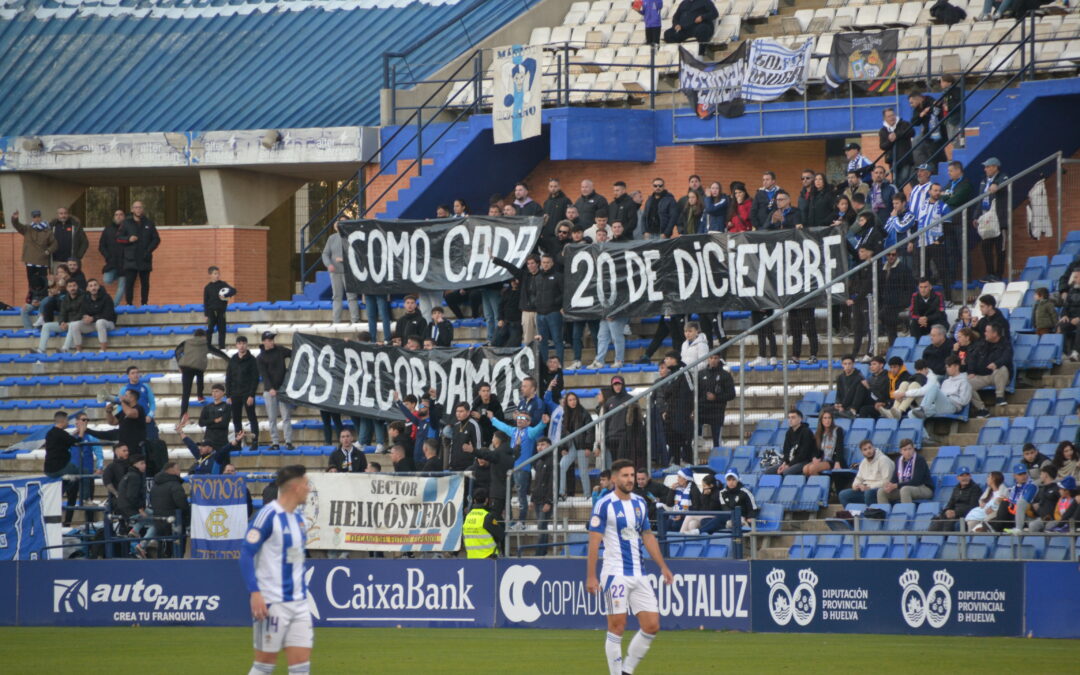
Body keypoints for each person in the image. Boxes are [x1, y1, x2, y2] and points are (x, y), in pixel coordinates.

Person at [586, 459, 673, 675]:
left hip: (639, 573)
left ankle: (627, 670)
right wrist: (591, 576)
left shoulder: (640, 503)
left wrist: (662, 566)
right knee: (617, 626)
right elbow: (594, 541)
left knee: (652, 625)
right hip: (615, 573)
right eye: (625, 476)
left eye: (632, 475)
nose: (630, 479)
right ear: (614, 479)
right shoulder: (604, 504)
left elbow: (647, 536)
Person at [241, 465, 312, 675]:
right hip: (272, 602)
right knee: (264, 665)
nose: (309, 489)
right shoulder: (268, 515)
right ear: (296, 488)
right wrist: (255, 593)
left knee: (301, 667)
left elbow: (295, 559)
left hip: (299, 603)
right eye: (306, 485)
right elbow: (246, 554)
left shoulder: (300, 520)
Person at [489, 408, 548, 522]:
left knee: (521, 497)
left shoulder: (529, 432)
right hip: (510, 469)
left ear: (528, 422)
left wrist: (543, 423)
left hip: (522, 469)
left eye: (524, 418)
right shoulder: (513, 431)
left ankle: (522, 522)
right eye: (519, 417)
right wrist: (492, 418)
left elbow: (538, 429)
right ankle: (510, 520)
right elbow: (502, 426)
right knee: (506, 496)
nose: (520, 420)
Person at [117, 201, 160, 306]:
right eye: (136, 207)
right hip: (130, 259)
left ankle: (144, 303)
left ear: (143, 209)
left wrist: (148, 250)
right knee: (129, 284)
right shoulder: (126, 223)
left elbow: (156, 239)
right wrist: (128, 239)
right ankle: (129, 304)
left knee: (145, 284)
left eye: (140, 207)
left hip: (145, 258)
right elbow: (118, 238)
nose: (138, 210)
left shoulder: (149, 223)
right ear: (132, 210)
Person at [257, 331, 293, 452]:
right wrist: (270, 388)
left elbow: (294, 353)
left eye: (272, 339)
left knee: (286, 416)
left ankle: (288, 441)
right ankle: (275, 442)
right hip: (270, 390)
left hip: (283, 389)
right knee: (272, 418)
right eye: (269, 340)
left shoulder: (280, 350)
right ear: (264, 342)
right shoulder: (260, 357)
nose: (272, 341)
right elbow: (264, 375)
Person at [967, 322, 1012, 416]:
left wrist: (996, 364)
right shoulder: (982, 343)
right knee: (965, 384)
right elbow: (971, 357)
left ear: (995, 334)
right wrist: (971, 371)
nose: (985, 333)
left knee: (1002, 368)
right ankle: (982, 409)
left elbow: (1007, 357)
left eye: (987, 331)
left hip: (998, 376)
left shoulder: (1005, 344)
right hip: (982, 376)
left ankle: (1000, 397)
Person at [975, 157, 1009, 281]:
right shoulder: (983, 181)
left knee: (1000, 248)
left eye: (988, 167)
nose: (985, 169)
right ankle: (990, 273)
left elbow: (1003, 181)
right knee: (986, 248)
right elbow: (980, 200)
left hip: (1000, 221)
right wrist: (976, 216)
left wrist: (996, 184)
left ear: (995, 167)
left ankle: (998, 275)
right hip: (986, 220)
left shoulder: (1003, 176)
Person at [322, 218, 360, 323]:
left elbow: (358, 254)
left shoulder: (352, 237)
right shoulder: (332, 238)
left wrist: (345, 259)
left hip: (349, 272)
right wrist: (328, 264)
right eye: (339, 221)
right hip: (335, 272)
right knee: (336, 297)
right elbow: (325, 254)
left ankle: (355, 320)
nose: (340, 223)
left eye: (343, 221)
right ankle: (336, 321)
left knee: (351, 297)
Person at [557, 391, 594, 499]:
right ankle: (561, 493)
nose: (573, 402)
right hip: (570, 446)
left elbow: (590, 431)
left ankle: (587, 495)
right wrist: (563, 447)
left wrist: (588, 446)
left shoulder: (584, 413)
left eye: (574, 399)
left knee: (583, 472)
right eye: (570, 400)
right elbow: (563, 433)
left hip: (582, 446)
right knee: (562, 466)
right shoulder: (565, 414)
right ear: (566, 402)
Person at [62, 278, 116, 352]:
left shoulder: (106, 297)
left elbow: (108, 314)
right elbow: (83, 311)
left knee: (100, 322)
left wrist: (93, 318)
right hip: (93, 323)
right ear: (87, 289)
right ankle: (78, 351)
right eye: (90, 286)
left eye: (95, 285)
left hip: (108, 323)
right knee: (74, 325)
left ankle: (103, 350)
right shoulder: (85, 298)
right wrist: (86, 317)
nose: (93, 288)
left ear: (99, 287)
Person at [226, 336, 260, 450]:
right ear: (236, 345)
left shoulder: (252, 359)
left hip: (247, 393)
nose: (241, 345)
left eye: (244, 343)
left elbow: (255, 379)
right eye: (239, 343)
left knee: (252, 417)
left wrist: (251, 395)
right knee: (236, 419)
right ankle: (238, 443)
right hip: (235, 393)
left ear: (247, 345)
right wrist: (228, 395)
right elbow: (228, 377)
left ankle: (255, 442)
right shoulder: (233, 359)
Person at [149, 461, 189, 556]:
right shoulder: (175, 485)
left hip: (159, 521)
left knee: (163, 549)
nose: (179, 472)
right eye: (178, 469)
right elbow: (182, 504)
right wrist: (187, 516)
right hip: (174, 522)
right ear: (172, 470)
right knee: (176, 550)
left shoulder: (155, 485)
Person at [116, 453, 153, 557]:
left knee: (154, 515)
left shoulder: (129, 475)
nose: (144, 465)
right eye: (141, 463)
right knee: (158, 522)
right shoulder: (135, 477)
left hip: (125, 508)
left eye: (144, 463)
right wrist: (140, 509)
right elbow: (132, 496)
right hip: (131, 509)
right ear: (134, 465)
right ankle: (141, 544)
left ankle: (136, 531)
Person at [10, 209, 58, 288]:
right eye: (35, 217)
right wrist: (15, 219)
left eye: (38, 216)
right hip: (30, 260)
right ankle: (32, 298)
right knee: (31, 282)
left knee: (43, 282)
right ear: (32, 218)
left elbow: (55, 244)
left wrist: (47, 251)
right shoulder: (27, 228)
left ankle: (42, 297)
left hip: (42, 261)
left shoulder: (47, 231)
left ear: (41, 217)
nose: (37, 219)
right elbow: (17, 226)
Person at [838, 440, 895, 506]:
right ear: (862, 452)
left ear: (873, 448)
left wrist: (869, 487)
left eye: (870, 448)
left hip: (880, 490)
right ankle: (853, 514)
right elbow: (858, 478)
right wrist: (856, 485)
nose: (868, 451)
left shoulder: (883, 460)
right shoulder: (863, 462)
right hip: (866, 490)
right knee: (843, 495)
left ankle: (872, 514)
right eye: (865, 449)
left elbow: (886, 481)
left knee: (868, 493)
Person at [877, 439, 933, 504]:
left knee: (905, 490)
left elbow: (916, 481)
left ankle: (906, 512)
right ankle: (883, 513)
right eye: (905, 449)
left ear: (913, 449)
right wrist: (890, 485)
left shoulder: (919, 460)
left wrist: (896, 485)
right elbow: (895, 478)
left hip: (923, 488)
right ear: (901, 451)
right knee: (881, 491)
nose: (908, 452)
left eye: (910, 449)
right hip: (905, 487)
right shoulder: (898, 460)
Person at [929, 466, 983, 531]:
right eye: (962, 476)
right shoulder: (956, 489)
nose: (965, 478)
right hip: (954, 514)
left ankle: (946, 539)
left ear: (970, 476)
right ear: (958, 478)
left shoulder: (975, 489)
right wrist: (947, 511)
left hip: (965, 515)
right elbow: (950, 503)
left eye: (967, 475)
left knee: (949, 523)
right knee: (937, 522)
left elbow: (973, 507)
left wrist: (956, 512)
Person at [879, 249, 916, 344]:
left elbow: (910, 287)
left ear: (897, 255)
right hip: (887, 304)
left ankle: (905, 325)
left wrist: (904, 302)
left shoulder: (903, 269)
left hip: (898, 304)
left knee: (887, 319)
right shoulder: (883, 269)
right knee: (889, 327)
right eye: (889, 254)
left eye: (893, 254)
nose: (891, 256)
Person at [698, 354, 735, 447]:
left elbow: (731, 394)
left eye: (715, 358)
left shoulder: (725, 375)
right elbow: (695, 393)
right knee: (696, 440)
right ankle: (695, 459)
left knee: (717, 442)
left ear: (719, 359)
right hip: (701, 411)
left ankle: (717, 459)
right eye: (711, 358)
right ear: (707, 359)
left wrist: (716, 397)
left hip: (717, 412)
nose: (713, 360)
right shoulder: (701, 374)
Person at [534, 254, 564, 364]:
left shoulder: (558, 276)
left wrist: (555, 303)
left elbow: (564, 293)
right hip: (540, 314)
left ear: (552, 264)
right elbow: (533, 293)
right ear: (541, 264)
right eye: (543, 262)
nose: (545, 264)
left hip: (554, 313)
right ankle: (544, 365)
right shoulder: (537, 277)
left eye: (547, 262)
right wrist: (535, 303)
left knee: (557, 340)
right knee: (542, 341)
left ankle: (559, 363)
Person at [768, 410, 817, 476]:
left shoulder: (806, 432)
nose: (790, 420)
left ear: (800, 419)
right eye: (789, 417)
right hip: (790, 462)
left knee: (786, 472)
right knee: (769, 471)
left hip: (804, 461)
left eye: (793, 417)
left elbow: (803, 454)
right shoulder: (789, 432)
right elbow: (786, 451)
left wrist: (789, 465)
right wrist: (784, 463)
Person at [879, 107, 915, 187]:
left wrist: (897, 135)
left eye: (893, 115)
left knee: (902, 179)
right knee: (896, 182)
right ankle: (899, 197)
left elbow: (912, 132)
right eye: (889, 116)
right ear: (885, 118)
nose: (892, 117)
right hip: (892, 160)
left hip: (906, 159)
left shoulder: (904, 124)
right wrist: (890, 141)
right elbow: (882, 146)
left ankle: (896, 195)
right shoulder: (883, 130)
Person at [462, 488, 503, 559]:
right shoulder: (487, 516)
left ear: (474, 500)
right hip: (489, 557)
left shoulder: (468, 516)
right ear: (486, 500)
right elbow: (500, 535)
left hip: (471, 558)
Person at [106, 389, 149, 454]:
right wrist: (109, 412)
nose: (123, 397)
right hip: (124, 446)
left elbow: (130, 413)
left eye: (126, 396)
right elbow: (112, 422)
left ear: (132, 398)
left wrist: (122, 402)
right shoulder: (124, 411)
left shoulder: (139, 408)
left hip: (136, 447)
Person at [203, 266, 236, 350]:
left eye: (218, 273)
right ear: (210, 275)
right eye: (215, 273)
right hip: (211, 311)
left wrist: (226, 295)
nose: (217, 275)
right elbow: (205, 301)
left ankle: (222, 348)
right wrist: (206, 315)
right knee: (209, 330)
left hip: (221, 311)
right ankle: (208, 348)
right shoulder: (207, 288)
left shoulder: (223, 284)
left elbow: (234, 290)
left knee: (222, 330)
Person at [1000, 463, 1040, 534]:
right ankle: (994, 527)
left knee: (1004, 503)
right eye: (1020, 474)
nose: (1023, 476)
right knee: (1002, 503)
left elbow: (1025, 503)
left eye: (1024, 473)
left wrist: (1008, 502)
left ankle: (996, 528)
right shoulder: (1015, 487)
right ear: (1014, 476)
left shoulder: (1031, 485)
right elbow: (1012, 500)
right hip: (1014, 514)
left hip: (1025, 516)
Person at [99, 209, 128, 303]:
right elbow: (101, 246)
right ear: (114, 217)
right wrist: (108, 256)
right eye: (116, 215)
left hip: (125, 263)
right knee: (107, 279)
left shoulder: (129, 228)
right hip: (112, 262)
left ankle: (113, 307)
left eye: (121, 214)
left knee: (121, 287)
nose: (118, 216)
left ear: (124, 217)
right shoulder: (108, 229)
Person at [806, 409, 846, 477]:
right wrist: (814, 458)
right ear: (821, 420)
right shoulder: (819, 433)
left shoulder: (838, 430)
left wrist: (837, 462)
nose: (827, 420)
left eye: (829, 418)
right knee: (805, 469)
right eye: (825, 418)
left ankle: (820, 485)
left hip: (833, 460)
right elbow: (815, 449)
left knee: (812, 469)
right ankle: (818, 484)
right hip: (822, 460)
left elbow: (840, 448)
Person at [43, 410, 81, 480]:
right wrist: (82, 432)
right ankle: (84, 491)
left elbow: (63, 441)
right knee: (84, 472)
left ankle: (70, 489)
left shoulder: (50, 433)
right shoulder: (62, 433)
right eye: (67, 420)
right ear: (64, 420)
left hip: (48, 469)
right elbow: (77, 442)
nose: (68, 423)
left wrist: (73, 435)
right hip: (59, 468)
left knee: (71, 478)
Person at [54, 279, 86, 354]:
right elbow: (62, 313)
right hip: (67, 323)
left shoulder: (84, 296)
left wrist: (69, 323)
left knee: (72, 325)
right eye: (70, 286)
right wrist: (62, 322)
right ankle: (41, 350)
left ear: (77, 286)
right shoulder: (65, 298)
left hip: (79, 322)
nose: (72, 288)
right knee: (46, 326)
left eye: (74, 286)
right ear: (67, 288)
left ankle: (65, 348)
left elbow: (82, 313)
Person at [199, 383, 232, 449]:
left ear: (222, 393)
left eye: (216, 391)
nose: (214, 393)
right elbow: (201, 423)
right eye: (213, 391)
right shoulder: (207, 407)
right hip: (208, 440)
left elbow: (223, 424)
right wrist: (214, 420)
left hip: (221, 440)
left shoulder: (226, 406)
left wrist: (209, 423)